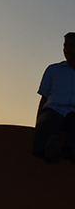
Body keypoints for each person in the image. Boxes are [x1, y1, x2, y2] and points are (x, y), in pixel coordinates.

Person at [32, 33, 75, 164]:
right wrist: (38, 121)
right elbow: (44, 98)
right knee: (49, 120)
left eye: (72, 46)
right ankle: (48, 152)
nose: (67, 50)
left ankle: (69, 153)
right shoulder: (53, 70)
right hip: (53, 110)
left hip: (73, 114)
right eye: (65, 46)